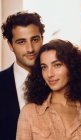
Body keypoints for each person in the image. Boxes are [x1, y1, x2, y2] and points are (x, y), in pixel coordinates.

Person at [16, 39, 81, 140]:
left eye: (57, 65)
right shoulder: (29, 113)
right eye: (44, 67)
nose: (49, 74)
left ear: (72, 67)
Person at [0, 11, 45, 140]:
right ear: (10, 45)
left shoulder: (56, 81)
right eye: (21, 42)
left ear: (42, 39)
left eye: (35, 39)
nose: (30, 49)